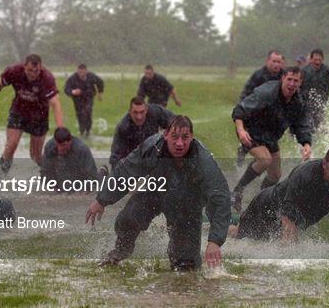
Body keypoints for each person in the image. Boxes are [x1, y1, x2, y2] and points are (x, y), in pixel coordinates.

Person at [86, 116, 230, 270]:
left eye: (185, 138)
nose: (179, 143)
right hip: (155, 192)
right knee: (127, 219)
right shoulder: (153, 147)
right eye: (174, 137)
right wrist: (102, 200)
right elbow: (126, 171)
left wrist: (214, 241)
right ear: (165, 134)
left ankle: (178, 254)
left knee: (185, 266)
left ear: (192, 137)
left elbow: (220, 197)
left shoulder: (203, 160)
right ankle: (122, 249)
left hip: (188, 205)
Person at [230, 146, 329, 245]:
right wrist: (289, 249)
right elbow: (288, 208)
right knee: (241, 236)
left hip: (285, 214)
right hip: (265, 206)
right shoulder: (305, 174)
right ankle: (216, 231)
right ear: (324, 164)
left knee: (267, 242)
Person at [231, 66, 312, 212]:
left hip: (270, 137)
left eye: (296, 81)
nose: (292, 84)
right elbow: (239, 110)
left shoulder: (298, 101)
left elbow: (300, 124)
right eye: (289, 79)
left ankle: (262, 199)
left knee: (275, 175)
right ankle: (237, 191)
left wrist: (306, 143)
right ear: (283, 79)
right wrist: (241, 130)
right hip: (250, 130)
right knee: (265, 159)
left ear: (300, 83)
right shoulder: (267, 92)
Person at [0, 54, 64, 173]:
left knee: (35, 155)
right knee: (12, 144)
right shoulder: (15, 71)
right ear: (24, 67)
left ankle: (52, 173)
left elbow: (55, 103)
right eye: (30, 70)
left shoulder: (47, 78)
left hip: (39, 116)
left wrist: (61, 128)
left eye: (36, 71)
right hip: (19, 111)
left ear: (41, 68)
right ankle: (2, 174)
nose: (33, 74)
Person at [236, 50, 286, 167]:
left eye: (279, 62)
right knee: (256, 142)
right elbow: (245, 95)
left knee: (269, 147)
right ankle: (244, 149)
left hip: (273, 117)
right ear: (268, 61)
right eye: (274, 61)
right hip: (255, 115)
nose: (276, 65)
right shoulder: (258, 75)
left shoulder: (284, 76)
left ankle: (258, 163)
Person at [109, 97, 174, 171]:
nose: (139, 117)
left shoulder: (156, 112)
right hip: (133, 160)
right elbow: (116, 156)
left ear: (146, 110)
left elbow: (176, 123)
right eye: (135, 112)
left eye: (142, 112)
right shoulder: (123, 127)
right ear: (130, 112)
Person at [40, 127, 98, 192]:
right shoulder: (50, 146)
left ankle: (102, 172)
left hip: (80, 177)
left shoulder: (82, 149)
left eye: (63, 145)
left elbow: (92, 176)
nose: (60, 149)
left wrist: (84, 191)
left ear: (70, 141)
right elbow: (45, 171)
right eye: (58, 145)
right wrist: (53, 187)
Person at [300, 49, 329, 131]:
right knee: (307, 125)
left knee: (319, 127)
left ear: (323, 59)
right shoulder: (304, 71)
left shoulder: (328, 71)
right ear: (311, 59)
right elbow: (296, 86)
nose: (317, 62)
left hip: (321, 104)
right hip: (305, 104)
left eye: (320, 60)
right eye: (315, 60)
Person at [64, 64, 104, 137]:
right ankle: (82, 130)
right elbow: (66, 89)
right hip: (77, 99)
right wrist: (73, 92)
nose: (81, 74)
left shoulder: (91, 76)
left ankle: (88, 130)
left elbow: (100, 82)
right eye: (79, 73)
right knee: (80, 114)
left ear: (86, 71)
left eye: (83, 73)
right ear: (77, 72)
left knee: (87, 111)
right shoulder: (73, 78)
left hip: (89, 96)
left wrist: (100, 93)